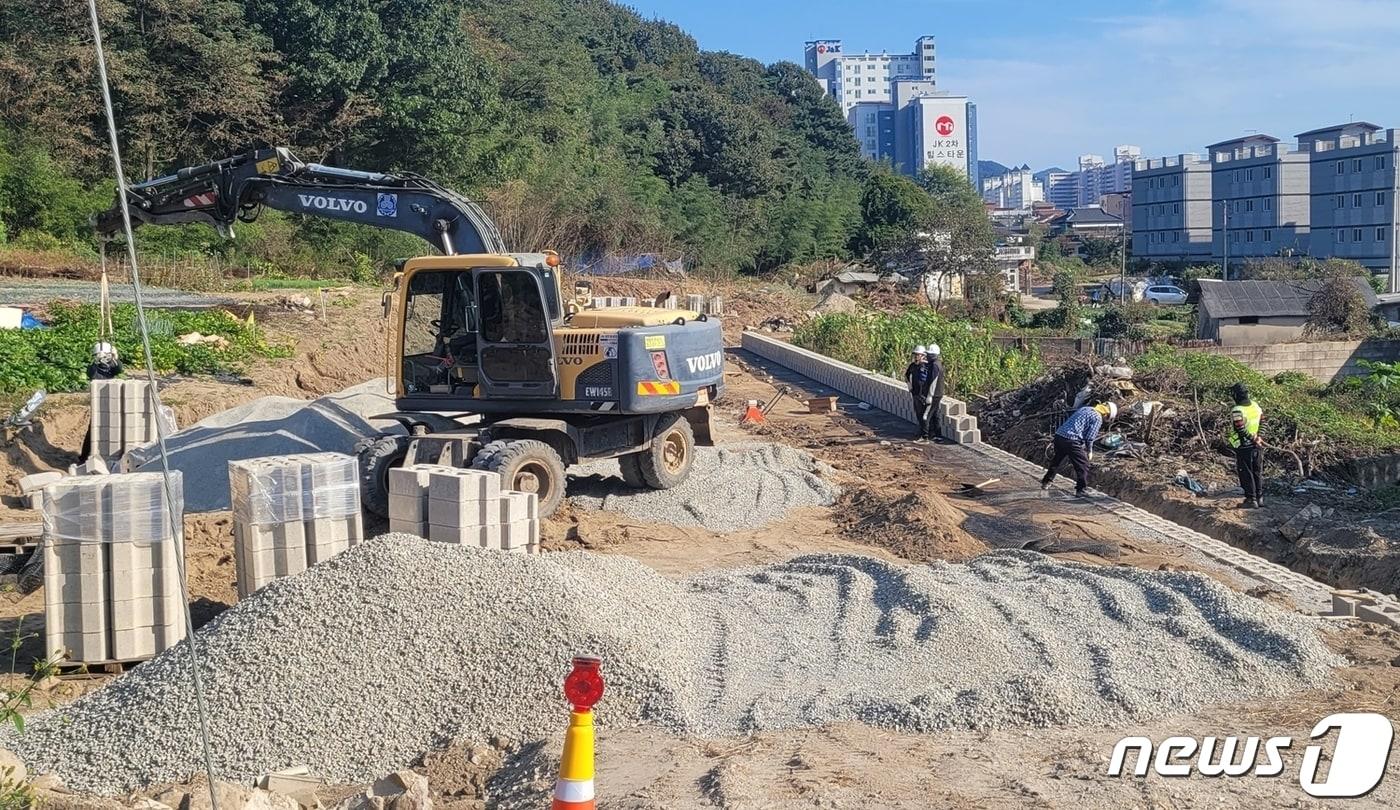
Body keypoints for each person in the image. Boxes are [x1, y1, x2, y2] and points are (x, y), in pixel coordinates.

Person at [1040, 400, 1117, 497]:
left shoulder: (1086, 408)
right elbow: (1089, 437)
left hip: (1059, 436)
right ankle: (1081, 489)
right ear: (1107, 414)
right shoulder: (1097, 417)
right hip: (1071, 439)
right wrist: (1089, 451)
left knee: (1058, 459)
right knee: (1083, 464)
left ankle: (1046, 482)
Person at [79, 342, 123, 462]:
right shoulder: (93, 368)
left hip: (111, 399)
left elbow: (119, 369)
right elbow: (91, 372)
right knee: (93, 428)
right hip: (98, 400)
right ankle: (84, 457)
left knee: (113, 426)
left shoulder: (111, 368)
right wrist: (99, 361)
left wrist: (115, 358)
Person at [1228, 382, 1265, 508]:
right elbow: (1263, 421)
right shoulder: (1255, 406)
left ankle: (1251, 499)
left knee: (1246, 472)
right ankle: (1260, 497)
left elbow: (1240, 428)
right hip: (1257, 446)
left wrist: (1252, 438)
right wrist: (1259, 437)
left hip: (1244, 446)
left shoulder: (1237, 410)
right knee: (1257, 471)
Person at [903, 346, 931, 440]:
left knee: (925, 415)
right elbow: (906, 375)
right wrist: (909, 385)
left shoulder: (927, 366)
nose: (916, 356)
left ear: (923, 355)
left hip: (925, 394)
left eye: (918, 355)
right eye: (915, 355)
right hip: (915, 393)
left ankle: (926, 434)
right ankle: (921, 431)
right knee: (919, 414)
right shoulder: (913, 366)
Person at [924, 343, 946, 442]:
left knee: (926, 415)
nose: (927, 356)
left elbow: (933, 381)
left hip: (934, 394)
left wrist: (929, 395)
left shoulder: (934, 366)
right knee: (935, 414)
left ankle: (925, 437)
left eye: (929, 354)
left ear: (933, 355)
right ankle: (938, 435)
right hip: (938, 393)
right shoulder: (937, 363)